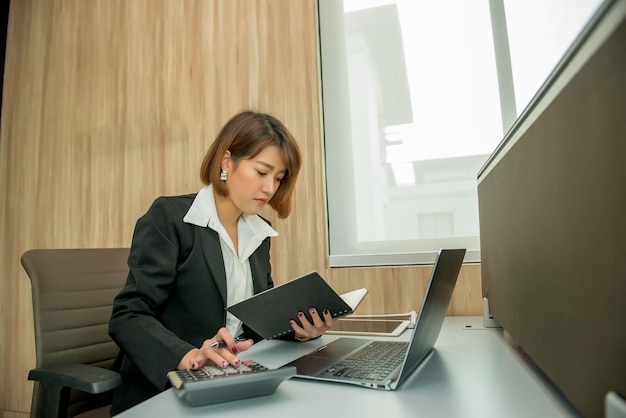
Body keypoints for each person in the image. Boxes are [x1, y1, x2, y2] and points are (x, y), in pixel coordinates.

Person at [108, 110, 334, 415]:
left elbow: (258, 322)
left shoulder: (257, 234)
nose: (270, 188)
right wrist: (188, 356)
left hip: (231, 377)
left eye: (278, 179)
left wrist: (301, 330)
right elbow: (128, 315)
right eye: (262, 172)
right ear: (227, 161)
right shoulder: (171, 218)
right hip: (167, 388)